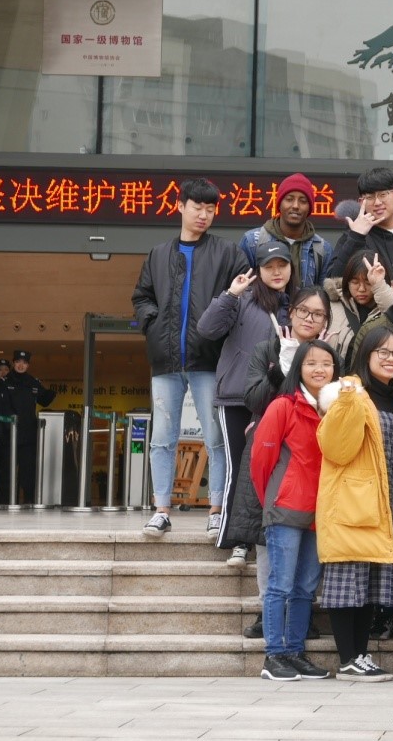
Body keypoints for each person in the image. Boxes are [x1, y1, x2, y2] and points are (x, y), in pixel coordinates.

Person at [132, 178, 248, 538]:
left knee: (216, 437)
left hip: (209, 361)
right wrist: (152, 325)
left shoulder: (227, 253)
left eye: (211, 209)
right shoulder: (158, 254)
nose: (204, 214)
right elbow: (141, 297)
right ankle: (161, 510)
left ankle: (216, 509)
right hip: (165, 362)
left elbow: (243, 298)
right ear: (180, 206)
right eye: (197, 207)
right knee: (162, 438)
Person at [316, 326, 393, 682]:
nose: (391, 359)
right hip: (354, 499)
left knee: (371, 584)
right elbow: (335, 448)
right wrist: (346, 401)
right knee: (348, 581)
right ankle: (348, 660)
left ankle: (360, 655)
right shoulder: (352, 394)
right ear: (366, 355)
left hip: (389, 499)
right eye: (383, 352)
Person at [230, 286, 333, 639]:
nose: (309, 318)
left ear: (326, 321)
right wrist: (282, 369)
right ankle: (268, 613)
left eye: (318, 314)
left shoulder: (328, 355)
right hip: (273, 454)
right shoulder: (267, 349)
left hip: (312, 461)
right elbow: (254, 399)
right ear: (291, 311)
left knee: (307, 547)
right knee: (267, 537)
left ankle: (300, 616)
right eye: (304, 310)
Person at [197, 240, 294, 557]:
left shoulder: (297, 304)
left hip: (278, 399)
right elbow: (207, 329)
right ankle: (234, 539)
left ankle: (260, 535)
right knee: (238, 465)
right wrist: (230, 294)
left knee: (271, 467)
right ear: (258, 271)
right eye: (269, 267)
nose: (276, 272)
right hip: (236, 396)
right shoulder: (243, 299)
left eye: (282, 265)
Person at [249, 339, 339, 681]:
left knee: (305, 588)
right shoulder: (283, 406)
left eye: (327, 363)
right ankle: (273, 656)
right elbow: (260, 460)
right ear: (298, 367)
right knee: (281, 585)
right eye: (311, 363)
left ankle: (296, 653)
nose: (319, 369)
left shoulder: (335, 410)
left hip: (321, 510)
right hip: (285, 508)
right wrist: (273, 499)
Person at [239, 172, 332, 290]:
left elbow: (323, 296)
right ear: (279, 204)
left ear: (310, 207)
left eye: (303, 201)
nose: (295, 206)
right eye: (289, 199)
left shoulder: (322, 248)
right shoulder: (252, 241)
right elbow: (241, 290)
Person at [2, 349, 57, 505]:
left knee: (28, 472)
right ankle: (7, 502)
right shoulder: (5, 382)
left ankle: (28, 501)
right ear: (13, 363)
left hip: (28, 435)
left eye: (24, 363)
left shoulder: (32, 382)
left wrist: (52, 391)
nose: (21, 365)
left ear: (28, 365)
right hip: (9, 434)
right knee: (7, 472)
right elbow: (1, 407)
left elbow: (44, 400)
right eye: (18, 362)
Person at [324, 250, 393, 364]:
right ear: (347, 282)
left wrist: (379, 285)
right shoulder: (331, 306)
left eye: (368, 282)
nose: (361, 289)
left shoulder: (387, 305)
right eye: (355, 282)